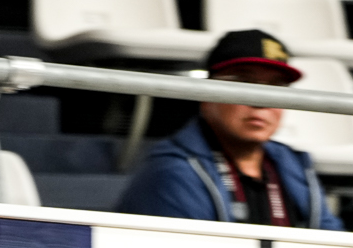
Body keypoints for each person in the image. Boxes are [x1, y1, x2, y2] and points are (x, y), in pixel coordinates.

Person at [116, 30, 341, 229]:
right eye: (243, 83)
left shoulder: (295, 164)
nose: (262, 101)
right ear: (206, 93)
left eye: (276, 87)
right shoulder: (172, 170)